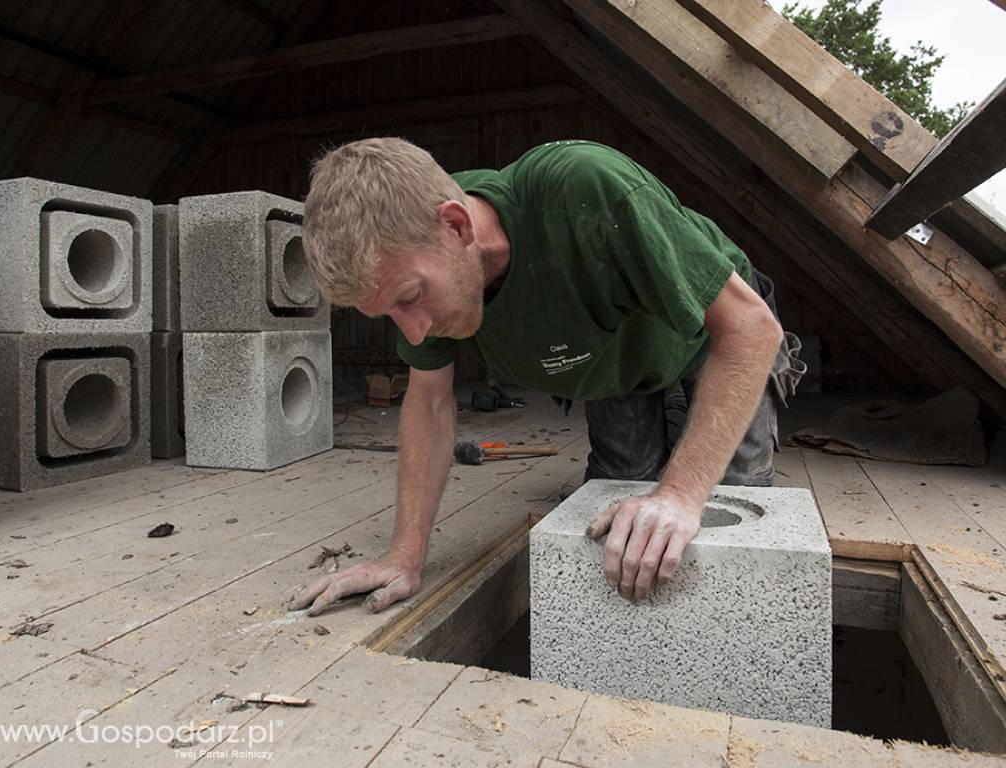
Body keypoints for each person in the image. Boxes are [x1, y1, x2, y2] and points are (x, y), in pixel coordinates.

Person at [289, 137, 804, 616]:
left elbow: (750, 329)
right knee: (616, 508)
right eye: (391, 314)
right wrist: (404, 555)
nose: (415, 334)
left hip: (710, 337)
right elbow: (428, 402)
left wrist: (680, 495)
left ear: (457, 227)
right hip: (606, 359)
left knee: (730, 506)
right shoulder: (420, 251)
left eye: (408, 298)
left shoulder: (586, 189)